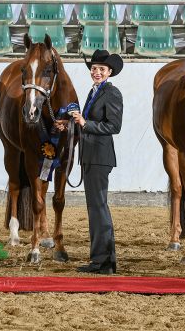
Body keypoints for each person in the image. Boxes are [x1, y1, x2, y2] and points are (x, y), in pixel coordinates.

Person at [57, 49, 123, 275]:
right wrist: (69, 125)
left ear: (109, 72)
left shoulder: (111, 93)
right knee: (96, 207)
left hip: (99, 156)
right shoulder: (94, 91)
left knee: (98, 207)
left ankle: (103, 261)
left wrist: (85, 123)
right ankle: (102, 260)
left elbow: (114, 126)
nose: (96, 72)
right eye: (94, 68)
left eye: (101, 69)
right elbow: (88, 123)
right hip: (91, 155)